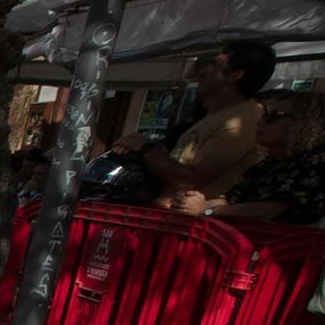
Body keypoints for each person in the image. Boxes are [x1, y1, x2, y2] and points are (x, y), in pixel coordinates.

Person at [114, 43, 276, 207]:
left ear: (234, 75)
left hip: (194, 228)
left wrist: (145, 147)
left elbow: (189, 181)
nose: (202, 72)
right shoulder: (215, 116)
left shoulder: (242, 123)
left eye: (213, 66)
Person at [173, 104, 325, 224]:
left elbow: (266, 210)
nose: (260, 122)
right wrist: (190, 202)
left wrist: (207, 210)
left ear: (305, 121)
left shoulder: (315, 163)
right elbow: (231, 200)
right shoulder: (269, 164)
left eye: (273, 116)